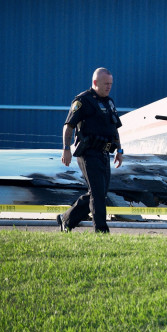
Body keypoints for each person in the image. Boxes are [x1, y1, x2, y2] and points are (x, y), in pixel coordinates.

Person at [57, 67, 124, 233]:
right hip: (88, 152)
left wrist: (119, 150)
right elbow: (68, 126)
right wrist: (66, 148)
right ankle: (101, 231)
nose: (109, 87)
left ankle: (66, 218)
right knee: (97, 193)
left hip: (104, 153)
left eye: (110, 84)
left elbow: (114, 128)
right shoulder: (83, 100)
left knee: (98, 192)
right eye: (105, 84)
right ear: (95, 83)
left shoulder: (109, 102)